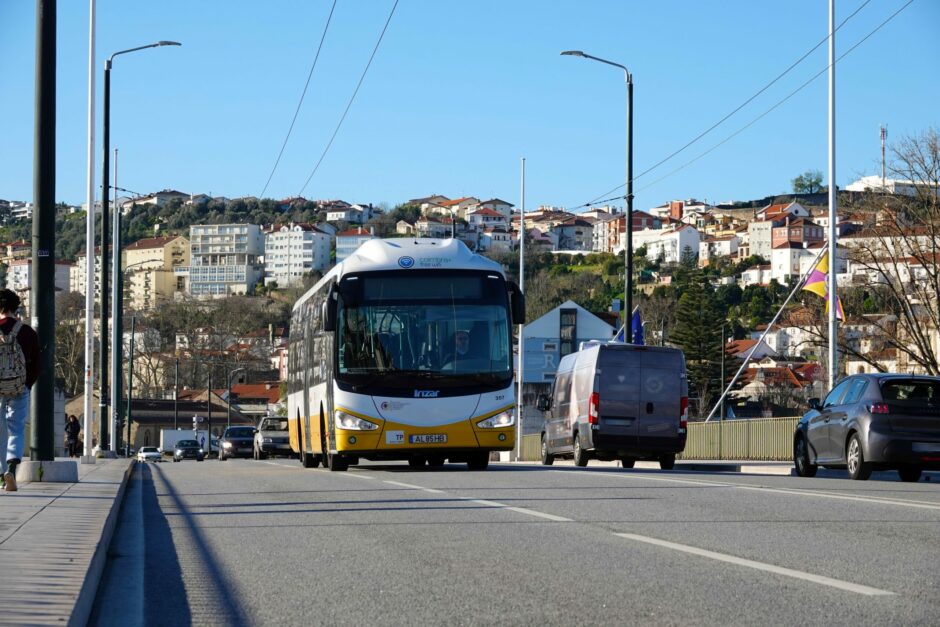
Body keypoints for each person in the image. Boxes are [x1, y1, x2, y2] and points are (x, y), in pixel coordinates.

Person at [0, 290, 39, 492]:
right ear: (17, 308)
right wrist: (26, 384)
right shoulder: (27, 332)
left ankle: (0, 474)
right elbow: (37, 364)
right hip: (19, 387)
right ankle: (12, 469)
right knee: (16, 429)